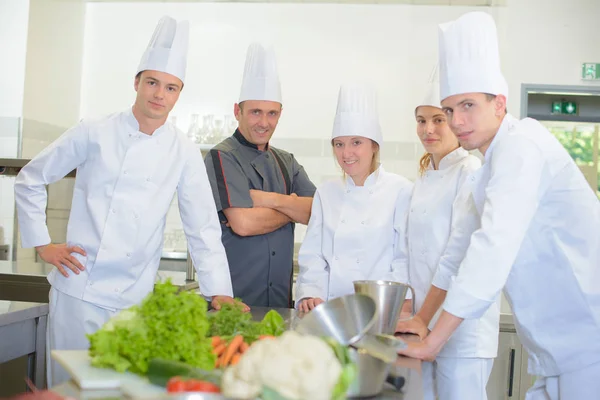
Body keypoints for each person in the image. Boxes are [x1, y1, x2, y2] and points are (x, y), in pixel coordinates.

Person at [14, 16, 240, 386]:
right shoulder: (94, 131)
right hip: (79, 293)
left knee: (121, 391)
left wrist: (220, 291)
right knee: (66, 389)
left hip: (134, 299)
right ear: (136, 82)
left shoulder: (182, 150)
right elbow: (31, 178)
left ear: (178, 94)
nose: (159, 94)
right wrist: (42, 243)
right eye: (152, 82)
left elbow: (201, 226)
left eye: (170, 87)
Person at [397, 12, 600, 400]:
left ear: (499, 103)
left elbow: (492, 248)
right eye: (450, 109)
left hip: (587, 341)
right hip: (557, 349)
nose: (457, 121)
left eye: (468, 105)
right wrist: (422, 320)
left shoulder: (522, 148)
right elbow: (459, 251)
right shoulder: (490, 167)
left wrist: (433, 342)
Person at [398, 68, 498, 399]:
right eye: (421, 120)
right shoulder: (426, 175)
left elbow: (455, 256)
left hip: (462, 329)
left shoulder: (469, 171)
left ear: (454, 122)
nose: (428, 129)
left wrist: (424, 317)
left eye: (438, 120)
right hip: (423, 324)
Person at [204, 43, 316, 308]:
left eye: (271, 113)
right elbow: (243, 224)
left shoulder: (286, 161)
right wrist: (291, 207)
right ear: (237, 111)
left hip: (279, 303)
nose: (264, 123)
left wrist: (266, 200)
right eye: (255, 112)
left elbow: (316, 212)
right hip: (234, 305)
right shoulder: (222, 157)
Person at [295, 84, 412, 312]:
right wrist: (311, 293)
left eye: (356, 143)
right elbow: (313, 255)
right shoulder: (326, 192)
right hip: (331, 311)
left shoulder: (401, 190)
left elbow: (403, 259)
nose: (346, 153)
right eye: (339, 144)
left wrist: (393, 303)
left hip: (379, 311)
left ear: (374, 146)